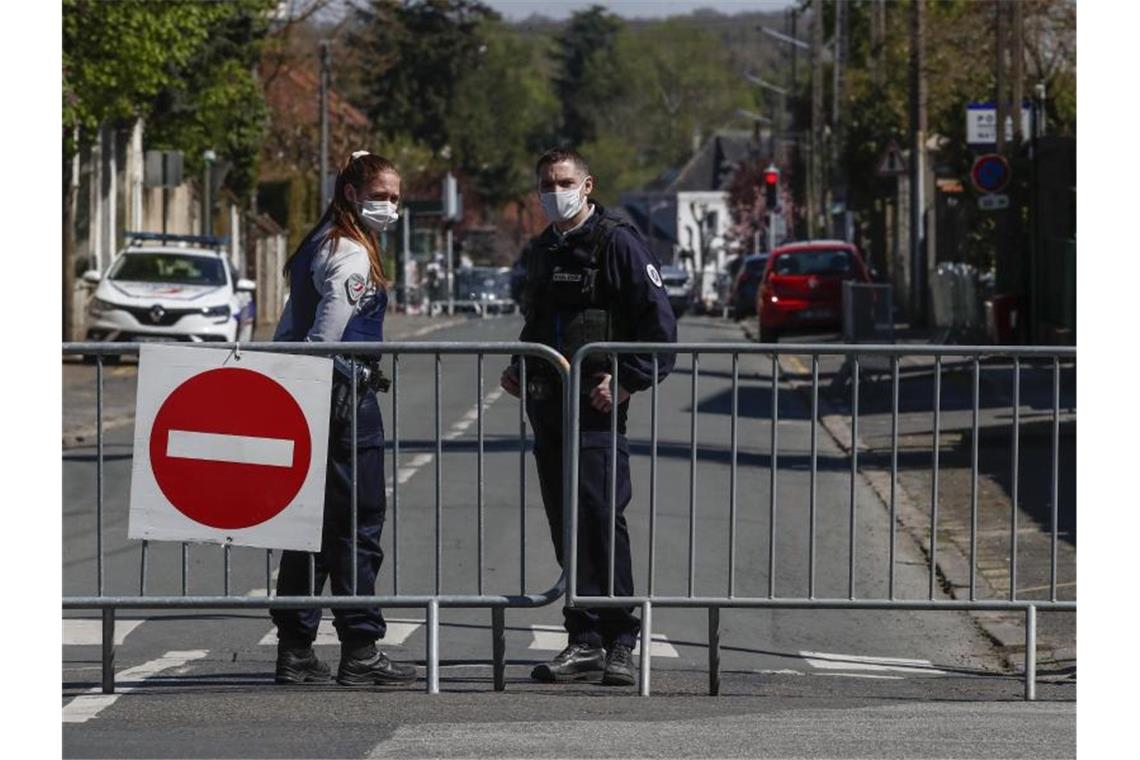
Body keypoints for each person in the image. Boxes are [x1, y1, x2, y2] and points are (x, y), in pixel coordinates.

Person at [500, 148, 677, 686]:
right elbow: (538, 322)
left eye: (565, 181)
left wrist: (628, 381)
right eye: (547, 183)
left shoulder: (618, 244)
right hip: (548, 407)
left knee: (600, 518)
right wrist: (518, 365)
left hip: (597, 411)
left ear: (588, 184)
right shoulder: (540, 252)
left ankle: (620, 638)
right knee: (566, 523)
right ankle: (583, 638)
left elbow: (659, 328)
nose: (556, 190)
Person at [269, 151, 416, 687]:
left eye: (397, 197)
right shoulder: (351, 253)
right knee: (358, 523)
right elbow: (320, 340)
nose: (391, 205)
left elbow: (288, 330)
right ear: (352, 194)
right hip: (344, 400)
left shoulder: (321, 240)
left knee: (310, 527)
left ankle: (296, 647)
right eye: (382, 195)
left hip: (318, 398)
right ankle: (359, 648)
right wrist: (311, 384)